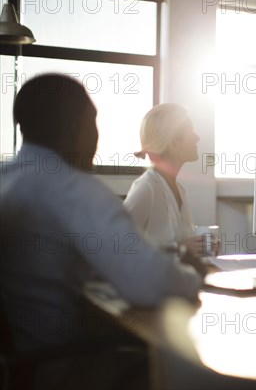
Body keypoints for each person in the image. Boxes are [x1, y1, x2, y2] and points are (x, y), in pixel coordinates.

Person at [0, 74, 203, 387]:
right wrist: (192, 276)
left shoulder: (7, 178)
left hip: (23, 364)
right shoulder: (74, 190)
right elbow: (148, 282)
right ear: (75, 128)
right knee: (189, 365)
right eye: (94, 124)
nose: (97, 139)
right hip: (68, 366)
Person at [124, 103, 214, 258]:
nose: (197, 137)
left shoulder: (179, 190)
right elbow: (117, 246)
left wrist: (198, 248)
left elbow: (181, 247)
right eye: (190, 131)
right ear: (173, 143)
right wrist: (179, 248)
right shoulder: (146, 188)